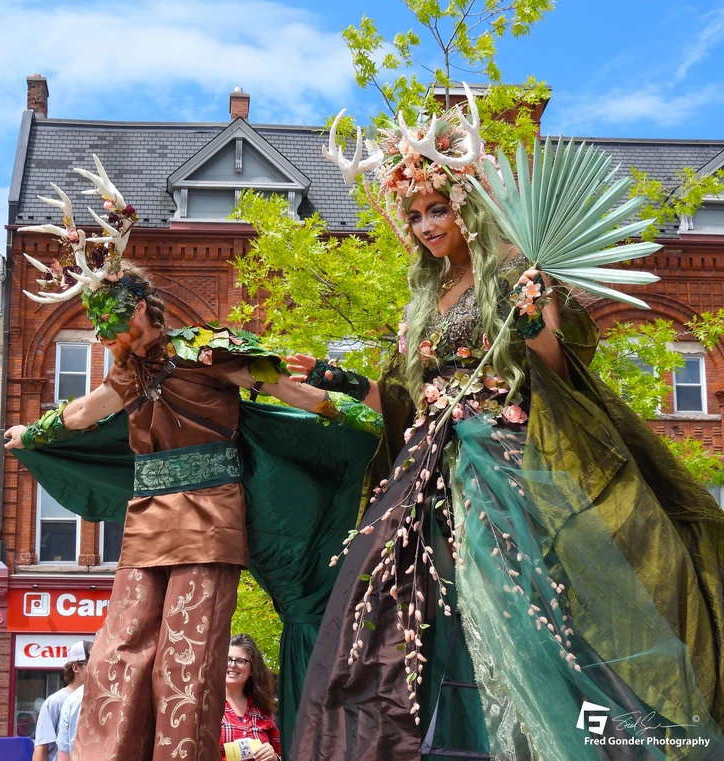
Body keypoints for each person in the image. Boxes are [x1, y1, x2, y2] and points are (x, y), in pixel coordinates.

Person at [285, 91, 724, 760]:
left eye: (438, 209)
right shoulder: (424, 302)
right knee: (396, 622)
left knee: (525, 619)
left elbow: (554, 359)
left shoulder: (511, 273)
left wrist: (528, 315)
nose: (428, 225)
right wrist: (332, 377)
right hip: (427, 474)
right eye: (415, 216)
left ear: (464, 209)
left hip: (502, 462)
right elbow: (403, 401)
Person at [4, 158, 325, 761]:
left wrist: (346, 408)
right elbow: (83, 413)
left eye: (120, 318)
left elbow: (286, 390)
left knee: (189, 651)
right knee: (119, 647)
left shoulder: (209, 352)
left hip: (209, 514)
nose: (116, 335)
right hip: (148, 514)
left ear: (148, 307)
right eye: (105, 327)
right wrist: (34, 431)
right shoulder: (129, 375)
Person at [220, 634, 281, 761]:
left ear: (252, 669)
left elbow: (280, 753)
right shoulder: (208, 707)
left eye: (240, 661)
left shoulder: (263, 711)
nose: (232, 665)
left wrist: (274, 758)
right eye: (228, 659)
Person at [32, 640, 90, 761]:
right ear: (75, 668)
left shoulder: (97, 698)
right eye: (90, 664)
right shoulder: (54, 702)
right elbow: (41, 748)